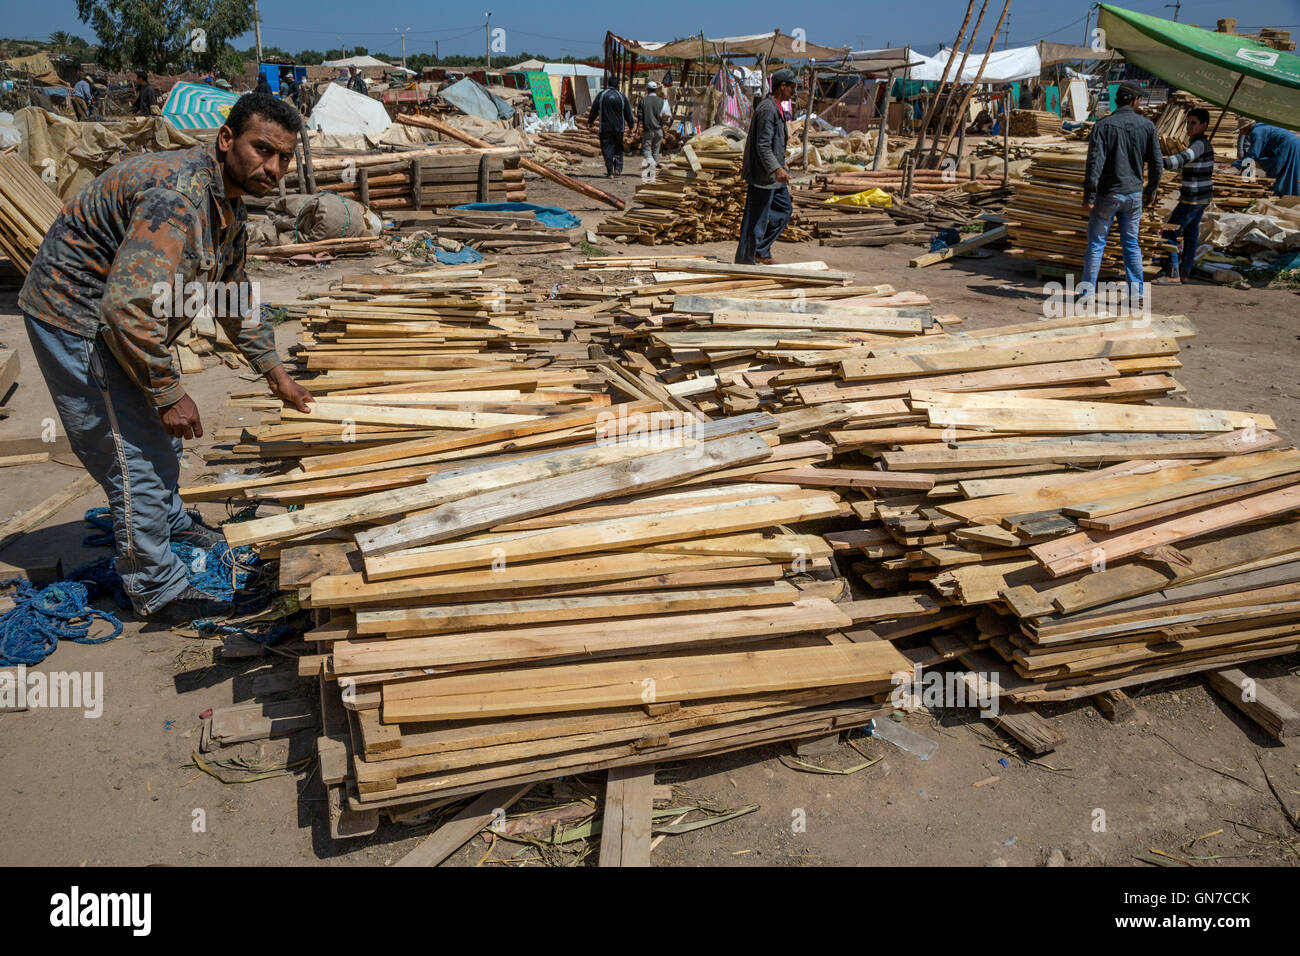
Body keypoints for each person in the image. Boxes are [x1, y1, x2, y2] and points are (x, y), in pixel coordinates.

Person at [18, 93, 313, 624]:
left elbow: (231, 294)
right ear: (227, 140)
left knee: (158, 443)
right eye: (262, 150)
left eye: (284, 158)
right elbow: (125, 309)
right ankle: (157, 588)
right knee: (134, 452)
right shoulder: (176, 198)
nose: (273, 168)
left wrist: (277, 374)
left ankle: (167, 520)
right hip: (76, 314)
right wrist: (168, 391)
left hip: (119, 316)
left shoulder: (228, 202)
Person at [1080, 81, 1161, 301]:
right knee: (1131, 243)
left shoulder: (1102, 125)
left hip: (1108, 194)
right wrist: (1151, 189)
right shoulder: (1147, 126)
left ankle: (1087, 293)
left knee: (1096, 243)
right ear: (1135, 101)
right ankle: (1137, 294)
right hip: (1133, 194)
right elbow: (1156, 162)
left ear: (1117, 100)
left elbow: (1094, 164)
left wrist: (1090, 195)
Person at [736, 68, 797, 266]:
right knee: (756, 219)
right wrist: (775, 168)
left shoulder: (777, 108)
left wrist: (781, 162)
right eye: (792, 87)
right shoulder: (767, 109)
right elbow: (762, 145)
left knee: (784, 210)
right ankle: (745, 261)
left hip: (773, 175)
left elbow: (773, 143)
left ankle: (761, 250)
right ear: (783, 86)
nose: (794, 91)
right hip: (764, 175)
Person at [1159, 107, 1213, 283]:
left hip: (1193, 199)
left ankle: (1173, 274)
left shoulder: (1198, 145)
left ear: (1203, 125)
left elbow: (1183, 158)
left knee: (1170, 234)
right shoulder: (1199, 143)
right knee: (1190, 235)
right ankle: (1185, 272)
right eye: (1188, 123)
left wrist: (1158, 162)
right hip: (1201, 198)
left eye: (1193, 123)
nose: (1189, 127)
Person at [1236, 118, 1300, 197]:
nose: (1241, 132)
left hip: (1288, 146)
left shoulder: (1256, 132)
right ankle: (1283, 193)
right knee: (1289, 170)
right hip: (1293, 143)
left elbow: (1253, 154)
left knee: (1281, 170)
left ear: (1247, 127)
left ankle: (1282, 194)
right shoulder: (1260, 128)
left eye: (1241, 129)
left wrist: (1234, 164)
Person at [588, 79, 635, 177]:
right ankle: (618, 169)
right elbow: (628, 112)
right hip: (619, 128)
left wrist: (590, 121)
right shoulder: (621, 97)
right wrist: (631, 126)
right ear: (617, 85)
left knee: (607, 149)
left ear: (608, 84)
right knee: (618, 148)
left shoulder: (602, 95)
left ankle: (610, 172)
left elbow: (594, 109)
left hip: (605, 128)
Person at [638, 81, 672, 173]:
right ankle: (653, 170)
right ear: (655, 90)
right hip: (659, 130)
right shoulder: (661, 101)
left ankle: (651, 165)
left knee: (646, 150)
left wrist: (638, 127)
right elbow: (665, 115)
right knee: (656, 151)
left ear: (647, 89)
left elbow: (640, 116)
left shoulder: (643, 101)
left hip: (648, 130)